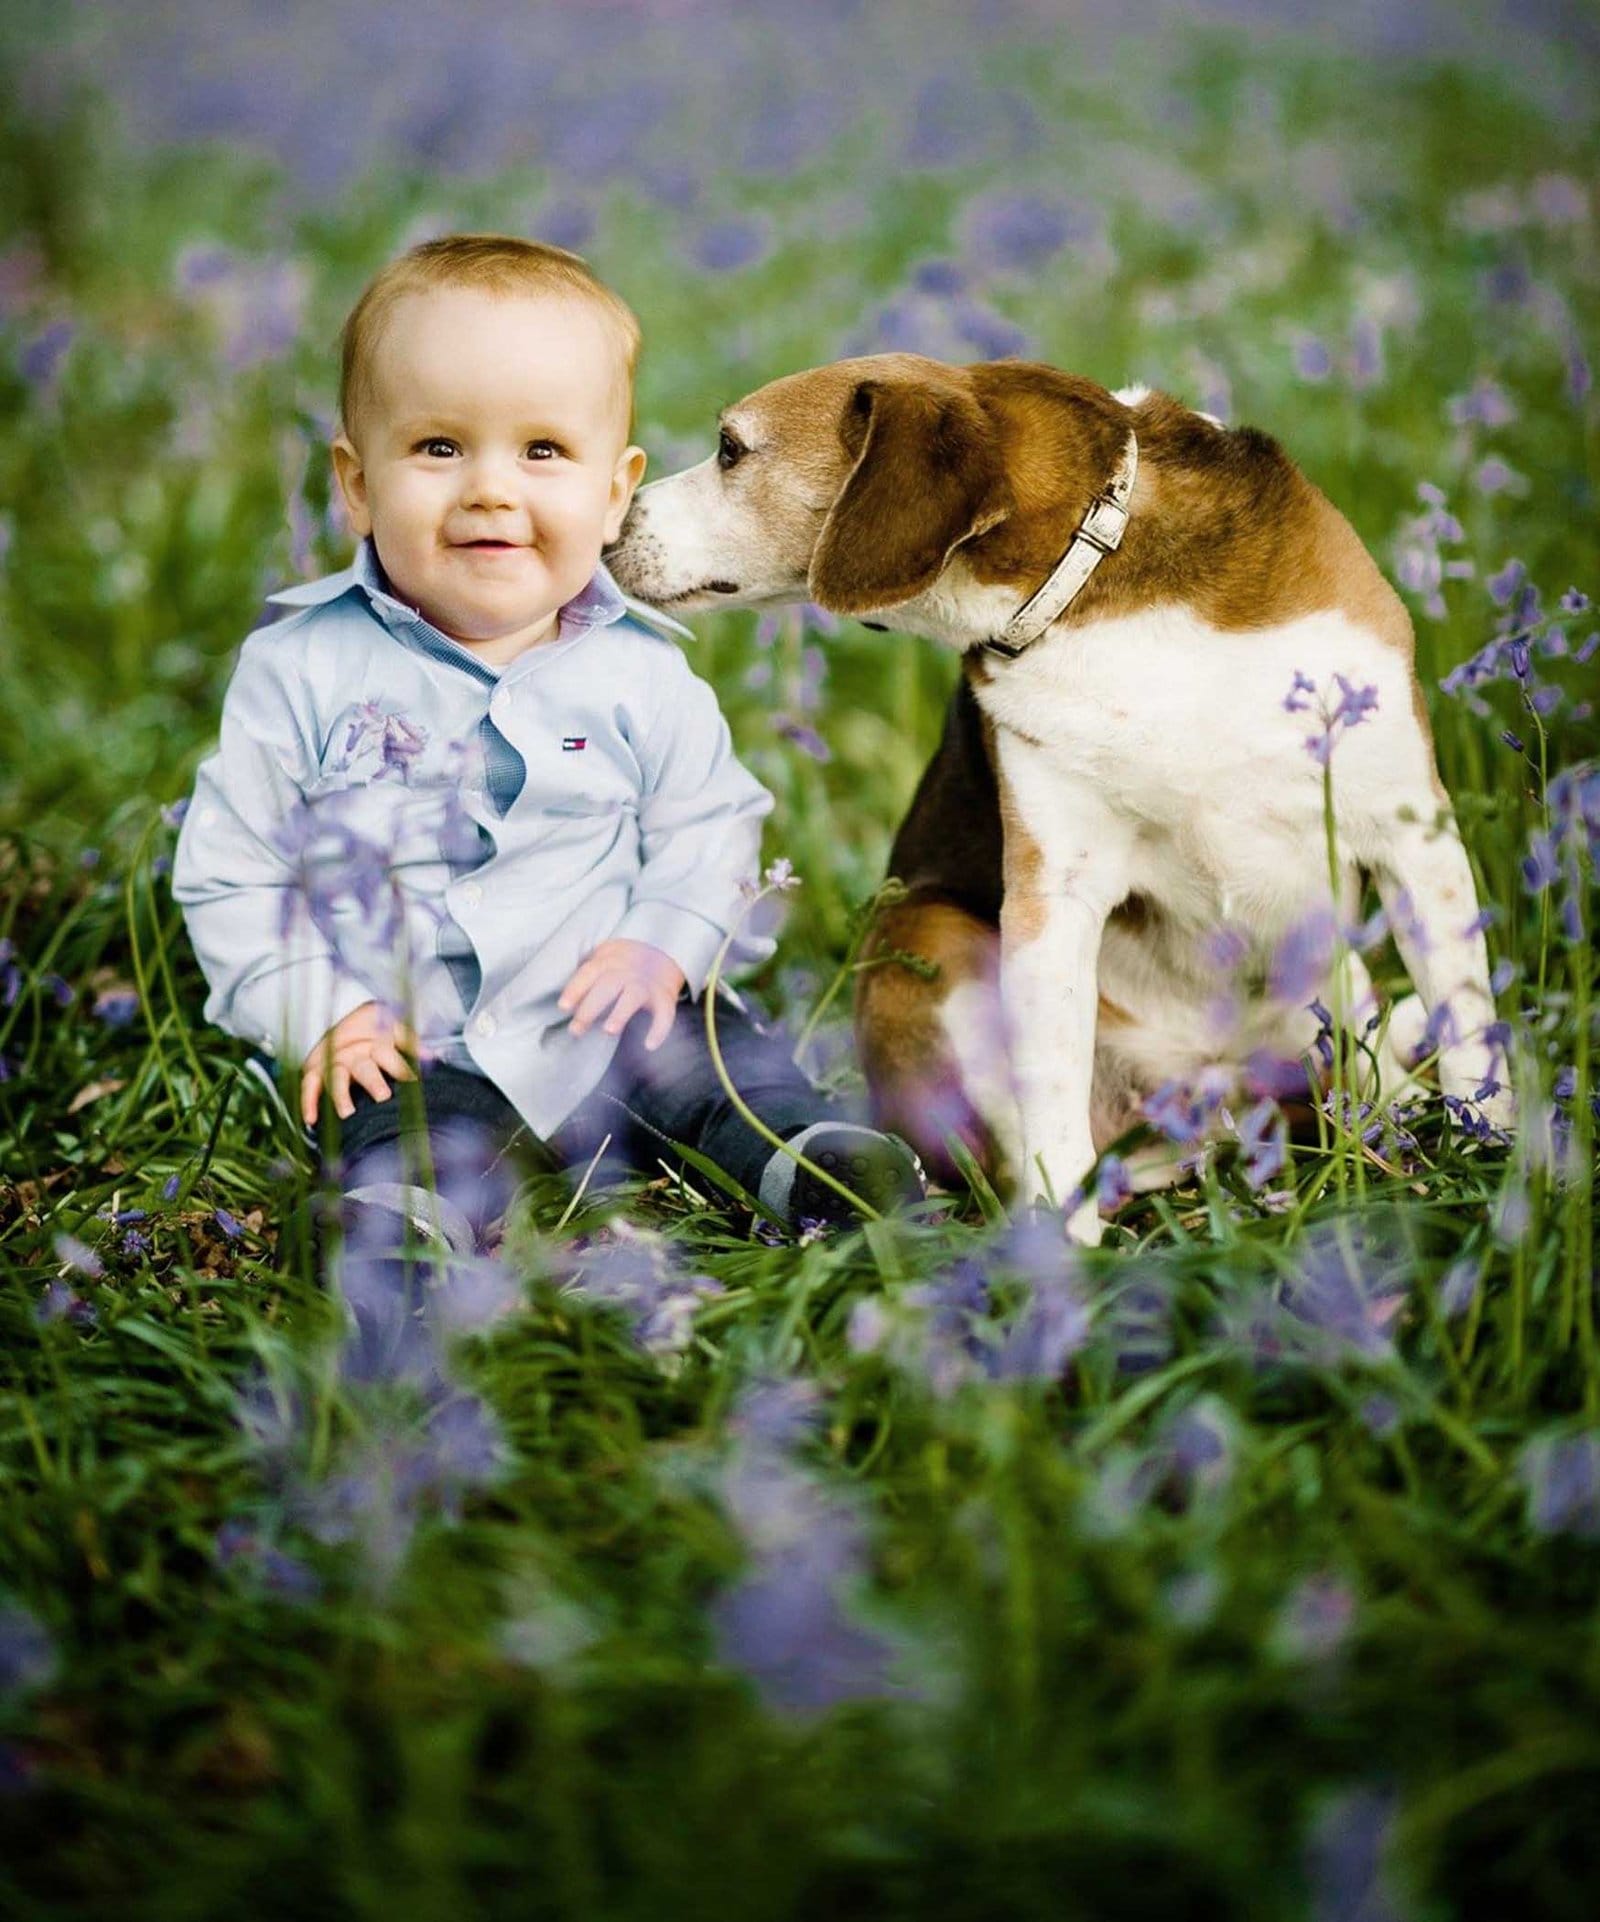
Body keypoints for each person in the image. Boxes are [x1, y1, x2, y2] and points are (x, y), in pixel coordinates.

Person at [171, 233, 922, 1252]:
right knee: (399, 1123)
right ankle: (407, 1225)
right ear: (354, 484)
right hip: (409, 1033)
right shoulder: (298, 667)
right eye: (438, 447)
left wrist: (663, 939)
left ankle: (808, 1161)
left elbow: (709, 822)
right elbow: (233, 870)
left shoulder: (643, 670)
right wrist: (322, 1008)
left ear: (615, 492)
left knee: (725, 1072)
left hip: (618, 1011)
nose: (491, 489)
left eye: (542, 451)